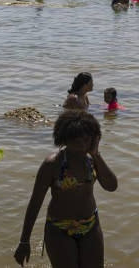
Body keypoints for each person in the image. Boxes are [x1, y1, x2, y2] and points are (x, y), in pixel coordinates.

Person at [14, 110, 118, 268]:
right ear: (64, 139)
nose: (82, 143)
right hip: (59, 228)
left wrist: (96, 154)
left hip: (90, 224)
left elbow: (112, 186)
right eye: (77, 139)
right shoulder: (52, 164)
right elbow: (35, 203)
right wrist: (24, 241)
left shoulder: (92, 160)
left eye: (87, 138)